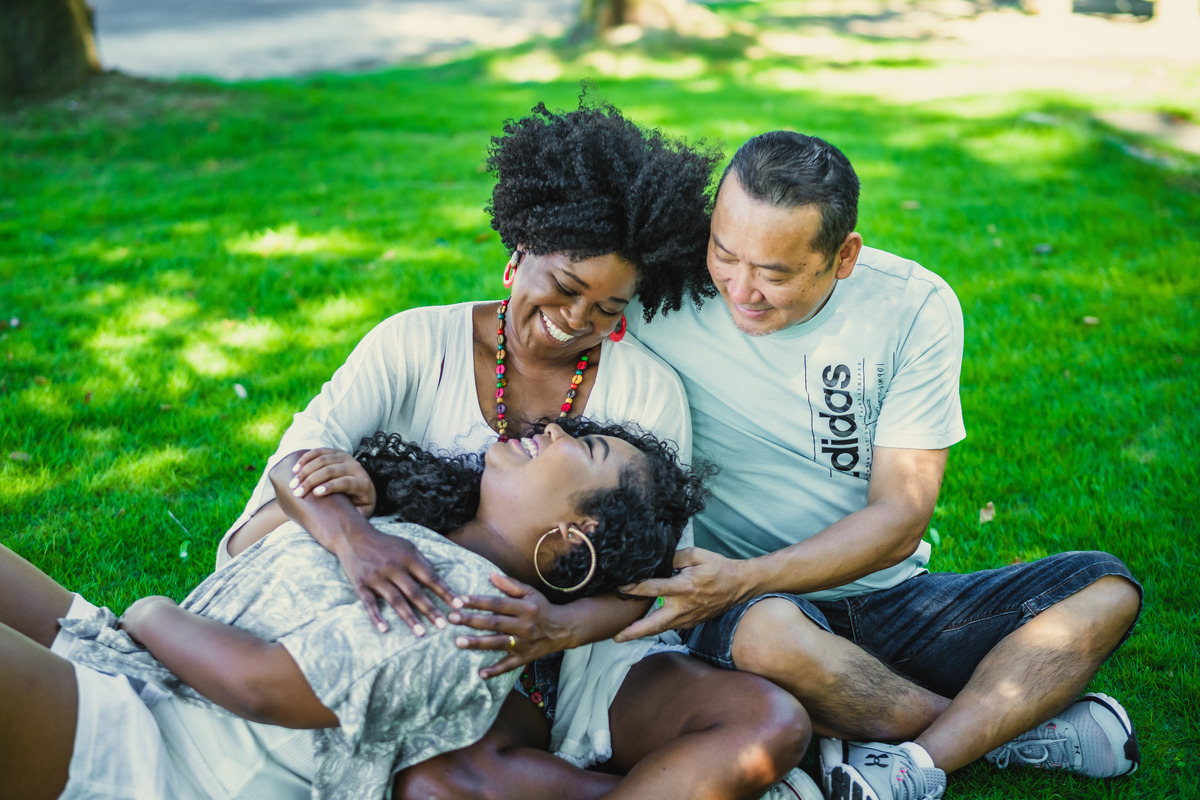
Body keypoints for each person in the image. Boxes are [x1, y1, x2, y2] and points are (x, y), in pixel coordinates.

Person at [220, 99, 813, 799]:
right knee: (446, 780)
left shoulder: (646, 393)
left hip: (588, 657)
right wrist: (359, 542)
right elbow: (277, 498)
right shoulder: (414, 345)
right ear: (519, 249)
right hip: (433, 647)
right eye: (564, 288)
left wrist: (555, 628)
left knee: (765, 722)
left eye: (608, 310)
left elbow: (659, 580)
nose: (574, 322)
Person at [616, 130, 1144, 800]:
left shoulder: (912, 307)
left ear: (844, 257)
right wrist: (742, 585)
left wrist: (745, 576)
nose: (741, 289)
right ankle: (992, 735)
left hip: (889, 596)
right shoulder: (658, 288)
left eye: (776, 273)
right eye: (725, 254)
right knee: (768, 634)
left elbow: (899, 517)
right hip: (752, 613)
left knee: (1105, 590)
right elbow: (542, 316)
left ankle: (902, 760)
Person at [0, 419, 704, 800]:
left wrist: (151, 612)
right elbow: (297, 472)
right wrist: (350, 532)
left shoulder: (473, 614)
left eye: (582, 446)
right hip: (140, 679)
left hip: (169, 765)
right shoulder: (417, 532)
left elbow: (261, 685)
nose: (551, 430)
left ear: (575, 537)